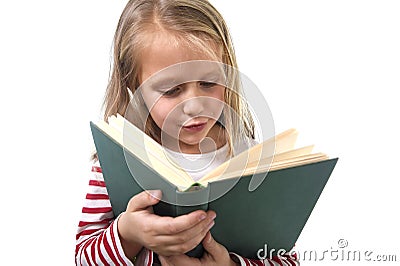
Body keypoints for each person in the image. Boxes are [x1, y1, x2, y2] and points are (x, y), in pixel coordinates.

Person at [75, 0, 299, 265]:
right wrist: (128, 233)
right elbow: (83, 258)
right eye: (171, 90)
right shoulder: (115, 164)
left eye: (209, 82)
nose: (194, 106)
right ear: (134, 88)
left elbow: (286, 260)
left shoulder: (253, 161)